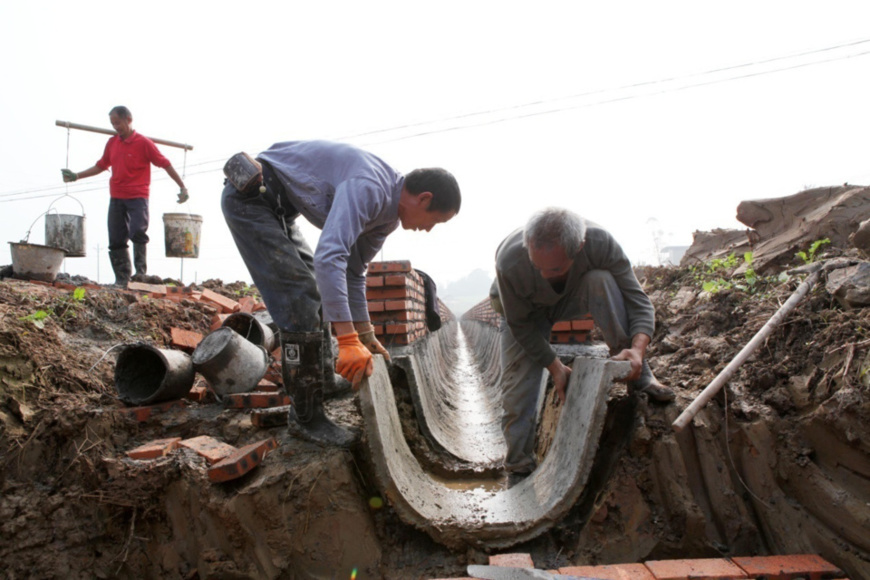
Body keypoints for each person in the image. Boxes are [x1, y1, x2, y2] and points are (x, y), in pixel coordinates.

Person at [221, 140, 461, 446]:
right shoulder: (370, 187)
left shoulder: (387, 217)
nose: (429, 229)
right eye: (436, 221)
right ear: (424, 199)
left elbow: (353, 270)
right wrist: (346, 340)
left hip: (280, 209)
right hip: (251, 200)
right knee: (299, 295)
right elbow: (330, 256)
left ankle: (322, 381)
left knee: (317, 294)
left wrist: (365, 332)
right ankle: (306, 417)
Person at [491, 207, 674, 487]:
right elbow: (521, 326)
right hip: (522, 313)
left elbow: (637, 299)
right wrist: (555, 367)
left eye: (554, 268)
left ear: (579, 248)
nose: (543, 274)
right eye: (536, 266)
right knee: (517, 391)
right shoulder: (510, 261)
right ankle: (518, 467)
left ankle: (639, 373)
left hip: (570, 297)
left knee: (601, 280)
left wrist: (638, 349)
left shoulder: (600, 244)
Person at [61, 106, 189, 285]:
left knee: (137, 231)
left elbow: (165, 164)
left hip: (138, 197)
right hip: (116, 197)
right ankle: (122, 279)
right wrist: (76, 176)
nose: (115, 127)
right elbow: (101, 166)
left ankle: (140, 274)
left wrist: (182, 187)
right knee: (115, 238)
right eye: (112, 123)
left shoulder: (144, 143)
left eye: (118, 122)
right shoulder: (112, 143)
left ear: (128, 119)